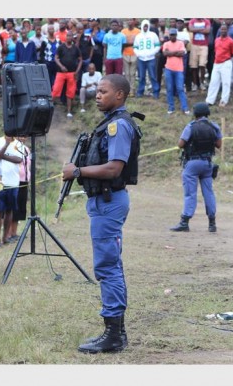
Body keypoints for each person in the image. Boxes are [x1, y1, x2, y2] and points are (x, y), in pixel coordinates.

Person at [62, 74, 142, 354]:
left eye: (103, 91)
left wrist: (77, 171)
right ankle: (115, 331)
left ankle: (113, 334)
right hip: (102, 201)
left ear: (119, 95)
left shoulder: (118, 126)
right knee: (109, 266)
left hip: (109, 201)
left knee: (107, 267)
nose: (97, 95)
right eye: (96, 91)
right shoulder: (109, 123)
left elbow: (113, 168)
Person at [170, 102, 222, 233]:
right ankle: (212, 223)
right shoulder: (214, 126)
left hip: (192, 163)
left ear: (195, 114)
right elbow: (218, 144)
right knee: (208, 193)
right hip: (207, 163)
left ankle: (185, 221)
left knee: (190, 193)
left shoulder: (191, 126)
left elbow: (180, 144)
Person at [0, 134, 24, 246]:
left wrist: (3, 155)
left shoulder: (19, 143)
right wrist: (6, 144)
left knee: (9, 210)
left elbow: (19, 159)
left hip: (13, 182)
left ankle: (6, 237)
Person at [205, 24, 233, 108]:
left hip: (226, 63)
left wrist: (225, 58)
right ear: (220, 30)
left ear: (227, 30)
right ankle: (210, 100)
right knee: (213, 82)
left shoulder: (231, 41)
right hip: (216, 63)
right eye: (222, 29)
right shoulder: (217, 40)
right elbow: (216, 51)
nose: (223, 31)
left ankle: (224, 100)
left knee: (226, 82)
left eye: (225, 29)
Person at [52, 30, 82, 118]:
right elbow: (56, 58)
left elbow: (80, 60)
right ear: (66, 37)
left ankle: (69, 111)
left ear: (73, 37)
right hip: (61, 73)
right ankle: (49, 108)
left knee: (70, 92)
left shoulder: (76, 48)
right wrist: (61, 66)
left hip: (72, 73)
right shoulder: (61, 47)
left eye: (70, 36)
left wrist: (77, 71)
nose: (69, 37)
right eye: (68, 36)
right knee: (55, 91)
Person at [162, 28, 190, 115]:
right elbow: (165, 54)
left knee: (180, 89)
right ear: (169, 35)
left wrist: (171, 53)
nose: (172, 36)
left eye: (174, 35)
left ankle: (185, 108)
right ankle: (171, 107)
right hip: (168, 69)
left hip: (179, 69)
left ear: (176, 35)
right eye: (171, 35)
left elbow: (182, 53)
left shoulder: (180, 43)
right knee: (169, 89)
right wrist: (176, 52)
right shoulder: (166, 43)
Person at [133, 19, 161, 99]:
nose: (145, 28)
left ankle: (155, 92)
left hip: (151, 58)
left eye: (146, 26)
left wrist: (152, 53)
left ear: (148, 26)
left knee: (152, 76)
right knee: (141, 76)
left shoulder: (153, 35)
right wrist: (138, 54)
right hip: (141, 59)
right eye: (144, 26)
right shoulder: (138, 36)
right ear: (142, 26)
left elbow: (157, 46)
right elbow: (135, 47)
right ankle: (140, 92)